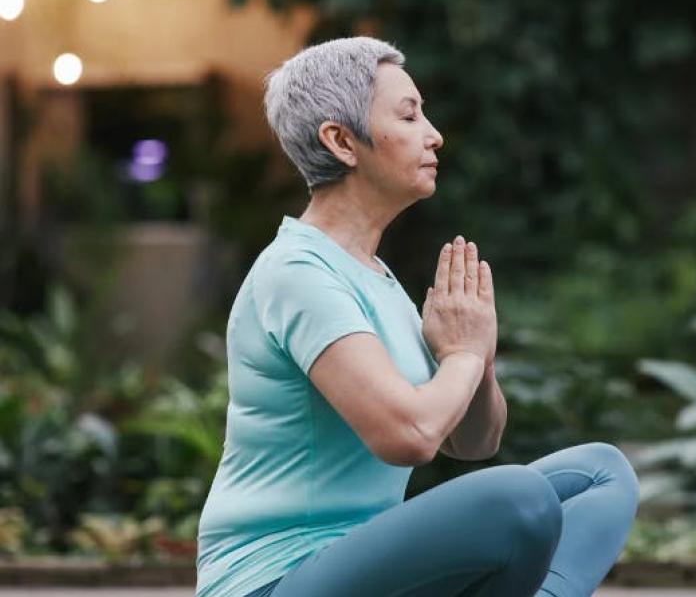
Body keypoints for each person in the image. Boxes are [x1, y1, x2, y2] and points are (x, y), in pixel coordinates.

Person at [195, 36, 640, 597]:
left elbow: (473, 443)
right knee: (517, 501)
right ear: (341, 141)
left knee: (601, 473)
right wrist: (461, 354)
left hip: (364, 566)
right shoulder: (297, 272)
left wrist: (479, 356)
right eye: (408, 115)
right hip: (274, 581)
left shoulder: (374, 275)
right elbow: (407, 435)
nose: (434, 134)